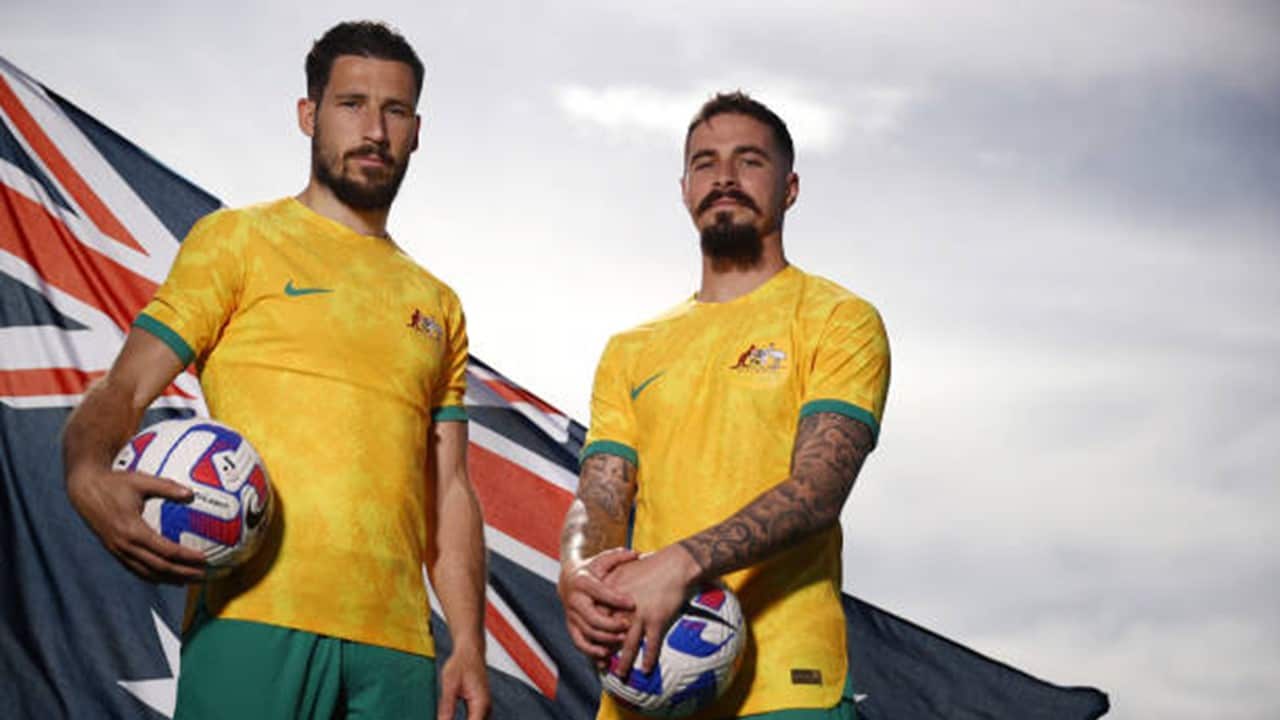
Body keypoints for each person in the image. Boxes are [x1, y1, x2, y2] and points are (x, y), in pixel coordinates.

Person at [62, 21, 490, 720]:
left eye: (395, 110)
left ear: (416, 131)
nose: (374, 130)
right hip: (252, 620)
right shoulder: (238, 240)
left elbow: (449, 489)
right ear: (308, 115)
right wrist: (86, 471)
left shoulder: (438, 304)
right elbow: (126, 385)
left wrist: (468, 640)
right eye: (351, 104)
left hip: (400, 648)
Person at [558, 92, 890, 719]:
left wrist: (678, 566)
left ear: (790, 188)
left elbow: (818, 490)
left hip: (785, 689)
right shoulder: (631, 349)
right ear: (685, 189)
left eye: (749, 161)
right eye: (705, 163)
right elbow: (600, 496)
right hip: (644, 683)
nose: (725, 178)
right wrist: (578, 570)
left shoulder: (838, 319)